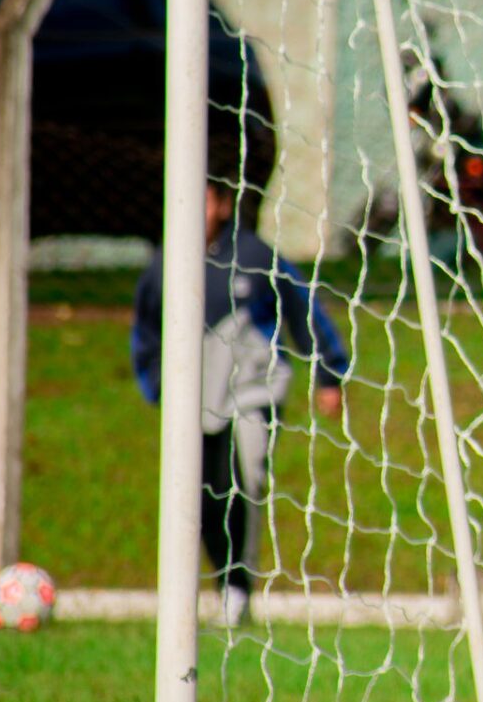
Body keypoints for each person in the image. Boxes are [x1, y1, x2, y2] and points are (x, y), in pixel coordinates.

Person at [131, 169, 349, 626]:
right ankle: (218, 582)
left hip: (252, 393)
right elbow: (145, 332)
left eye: (204, 200)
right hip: (193, 402)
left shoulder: (254, 255)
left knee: (245, 478)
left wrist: (329, 369)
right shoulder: (163, 265)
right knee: (200, 494)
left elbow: (301, 306)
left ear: (223, 205)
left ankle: (239, 588)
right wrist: (156, 388)